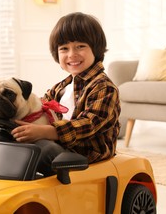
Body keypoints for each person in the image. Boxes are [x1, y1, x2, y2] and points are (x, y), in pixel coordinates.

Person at [12, 12, 121, 176]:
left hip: (87, 153)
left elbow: (89, 123)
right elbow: (40, 107)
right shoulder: (61, 87)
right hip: (62, 147)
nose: (72, 54)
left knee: (43, 149)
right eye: (64, 48)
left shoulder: (104, 87)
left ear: (96, 49)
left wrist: (45, 132)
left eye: (80, 46)